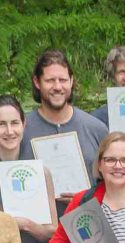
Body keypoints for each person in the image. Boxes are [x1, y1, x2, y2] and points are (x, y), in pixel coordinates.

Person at [0, 92, 60, 243]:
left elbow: (53, 232)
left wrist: (26, 225)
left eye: (15, 123)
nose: (9, 131)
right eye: (1, 124)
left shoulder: (40, 171)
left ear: (24, 124)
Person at [25, 49, 109, 180]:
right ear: (37, 82)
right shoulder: (22, 131)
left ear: (71, 81)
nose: (57, 87)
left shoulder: (96, 129)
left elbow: (112, 181)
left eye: (63, 80)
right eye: (50, 80)